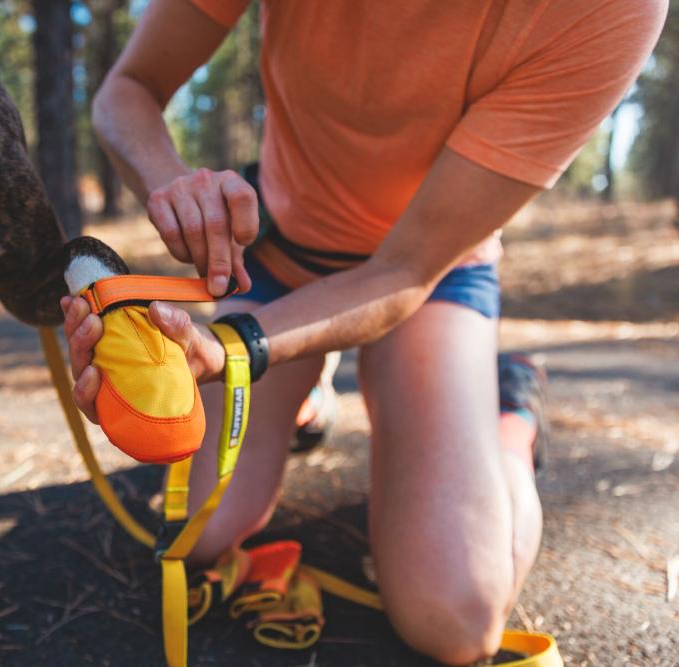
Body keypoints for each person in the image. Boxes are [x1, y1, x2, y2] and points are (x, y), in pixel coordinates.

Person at [60, 1, 667, 663]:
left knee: (455, 618)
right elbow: (127, 90)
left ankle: (510, 413)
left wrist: (235, 345)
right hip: (283, 257)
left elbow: (403, 269)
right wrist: (173, 186)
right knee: (200, 534)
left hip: (432, 274)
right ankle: (308, 396)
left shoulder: (611, 9)